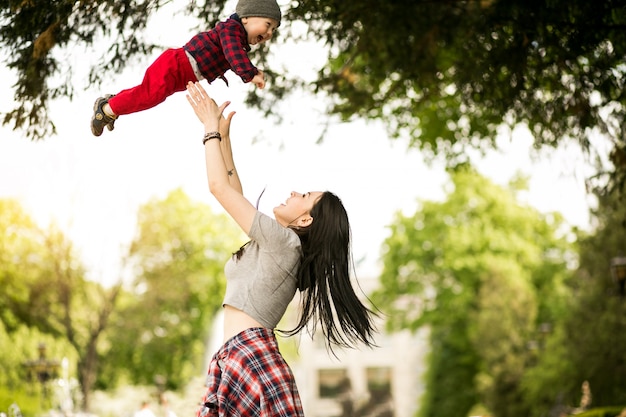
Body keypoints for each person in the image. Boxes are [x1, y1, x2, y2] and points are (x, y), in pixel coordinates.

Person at [185, 81, 378, 416]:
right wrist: (225, 139)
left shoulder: (285, 242)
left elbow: (218, 188)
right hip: (238, 355)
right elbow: (233, 191)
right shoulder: (280, 244)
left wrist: (209, 129)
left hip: (251, 357)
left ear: (305, 221)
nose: (293, 192)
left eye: (302, 197)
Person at [90, 0, 281, 137]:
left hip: (180, 73)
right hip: (176, 66)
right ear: (246, 17)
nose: (270, 33)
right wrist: (250, 74)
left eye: (274, 29)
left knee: (145, 92)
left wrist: (252, 70)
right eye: (268, 25)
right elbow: (234, 54)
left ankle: (112, 103)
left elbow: (235, 56)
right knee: (149, 96)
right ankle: (106, 110)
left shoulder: (235, 39)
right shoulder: (231, 29)